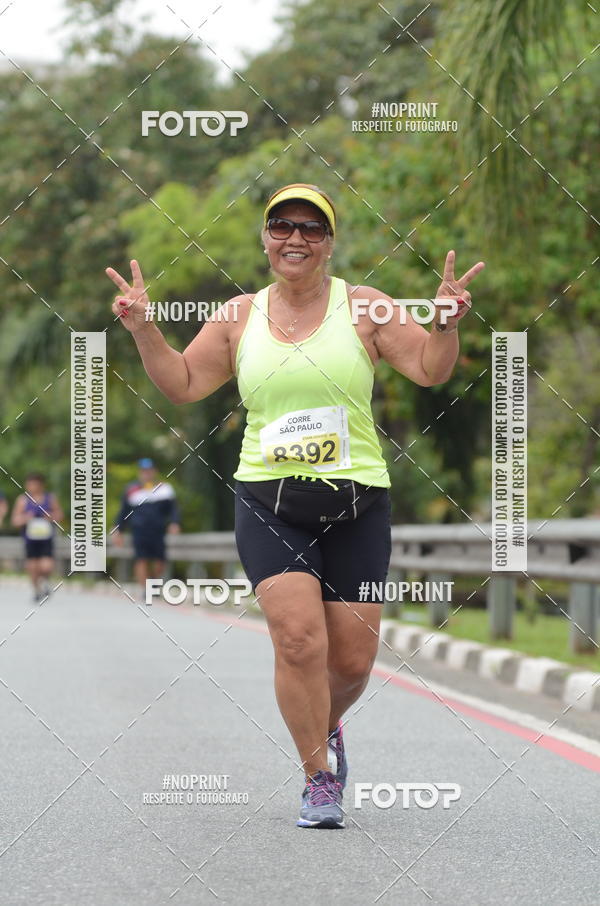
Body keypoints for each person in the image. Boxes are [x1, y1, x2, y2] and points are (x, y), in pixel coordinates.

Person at [106, 182, 484, 829]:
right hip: (268, 501)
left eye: (312, 229)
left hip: (358, 503)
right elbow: (185, 383)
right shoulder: (237, 317)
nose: (296, 238)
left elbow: (429, 368)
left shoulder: (365, 307)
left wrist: (445, 324)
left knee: (353, 661)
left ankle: (326, 722)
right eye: (283, 226)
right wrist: (144, 330)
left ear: (330, 244)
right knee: (298, 639)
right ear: (265, 239)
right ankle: (317, 777)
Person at [112, 458, 180, 600]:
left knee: (160, 561)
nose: (146, 474)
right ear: (139, 473)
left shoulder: (164, 489)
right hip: (139, 530)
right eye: (144, 471)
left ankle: (154, 582)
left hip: (158, 530)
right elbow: (123, 512)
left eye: (149, 471)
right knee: (141, 559)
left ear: (154, 472)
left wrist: (174, 523)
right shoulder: (131, 490)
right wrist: (118, 530)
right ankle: (146, 589)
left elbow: (174, 510)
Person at [11, 473, 63, 603]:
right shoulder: (22, 500)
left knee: (46, 566)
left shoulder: (50, 498)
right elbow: (15, 520)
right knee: (32, 567)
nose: (31, 487)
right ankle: (36, 590)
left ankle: (45, 581)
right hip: (30, 540)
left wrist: (50, 516)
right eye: (29, 484)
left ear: (41, 485)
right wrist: (26, 518)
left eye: (34, 484)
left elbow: (60, 515)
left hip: (46, 539)